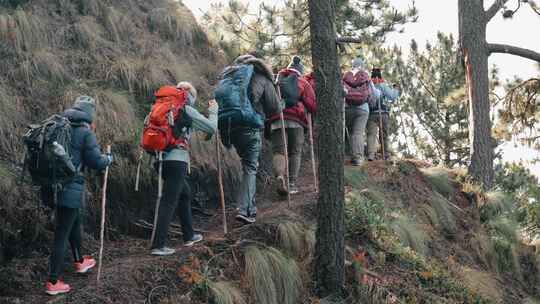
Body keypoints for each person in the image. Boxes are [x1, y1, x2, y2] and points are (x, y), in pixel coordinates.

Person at [45, 96, 113, 295]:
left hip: (52, 186)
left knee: (73, 223)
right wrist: (108, 158)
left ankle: (80, 261)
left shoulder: (59, 126)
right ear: (90, 113)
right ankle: (52, 281)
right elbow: (96, 162)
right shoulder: (84, 132)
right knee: (61, 233)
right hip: (70, 187)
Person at [150, 82, 218, 256]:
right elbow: (211, 127)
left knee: (184, 193)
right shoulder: (185, 109)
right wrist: (214, 111)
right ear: (190, 97)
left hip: (159, 159)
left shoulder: (160, 107)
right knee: (168, 200)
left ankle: (189, 235)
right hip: (177, 161)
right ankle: (158, 245)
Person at [217, 54, 281, 224]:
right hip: (249, 126)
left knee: (246, 165)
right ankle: (246, 210)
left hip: (228, 127)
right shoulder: (261, 78)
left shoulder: (228, 78)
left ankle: (244, 204)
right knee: (250, 167)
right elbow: (274, 108)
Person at [269, 56, 316, 195]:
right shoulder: (303, 82)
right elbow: (313, 105)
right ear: (300, 71)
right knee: (295, 152)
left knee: (279, 152)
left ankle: (279, 176)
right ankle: (292, 183)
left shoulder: (277, 80)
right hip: (296, 120)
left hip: (276, 120)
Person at [343, 58, 381, 166]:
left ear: (352, 65)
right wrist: (370, 103)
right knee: (358, 132)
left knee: (350, 132)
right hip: (362, 108)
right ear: (361, 66)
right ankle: (358, 158)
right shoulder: (365, 77)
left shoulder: (345, 76)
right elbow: (376, 95)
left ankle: (349, 155)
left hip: (347, 108)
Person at [366, 68, 400, 161]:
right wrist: (396, 89)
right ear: (380, 76)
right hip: (383, 113)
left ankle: (371, 155)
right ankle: (385, 154)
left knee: (371, 134)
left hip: (371, 113)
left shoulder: (369, 85)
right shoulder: (383, 85)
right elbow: (392, 97)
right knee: (384, 134)